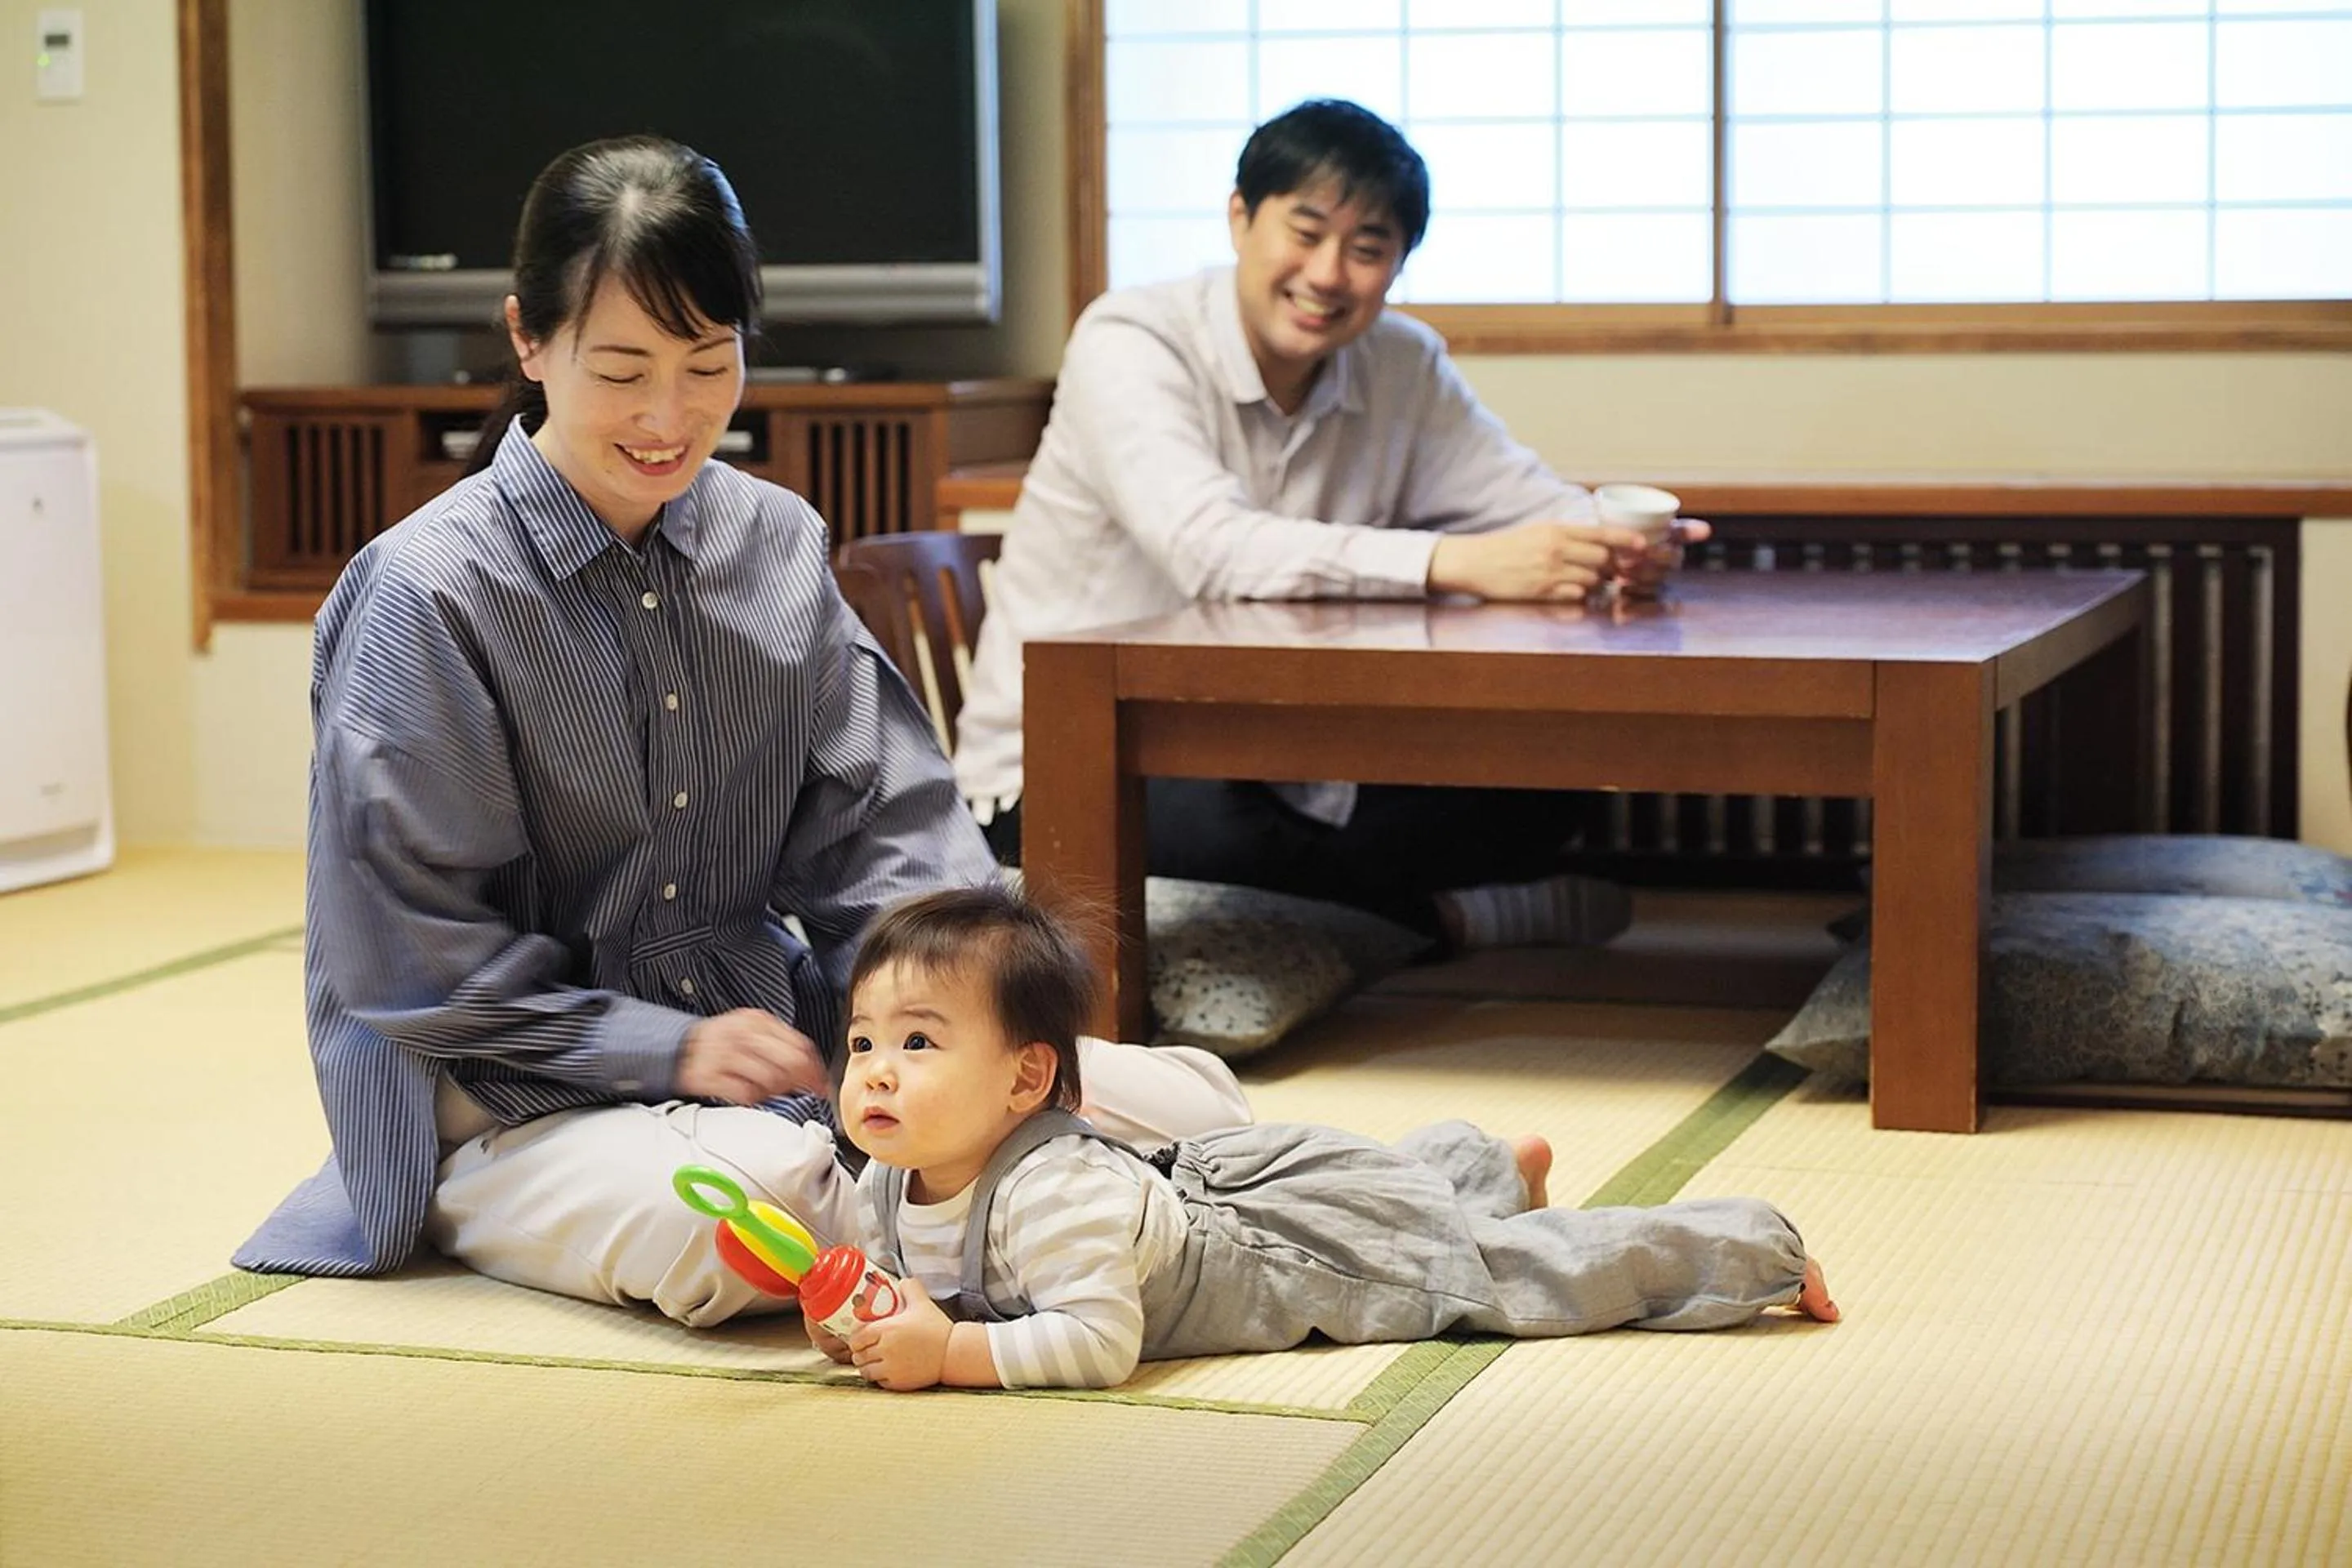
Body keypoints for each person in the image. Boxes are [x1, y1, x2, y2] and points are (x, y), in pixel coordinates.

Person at [233, 136, 1249, 1325]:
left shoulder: (774, 542)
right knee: (758, 1204)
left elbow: (889, 830)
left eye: (708, 364)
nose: (670, 417)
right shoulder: (426, 593)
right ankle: (481, 1203)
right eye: (622, 371)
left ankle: (1012, 1206)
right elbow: (410, 964)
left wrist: (954, 1029)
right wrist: (666, 1051)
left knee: (1186, 1103)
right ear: (528, 339)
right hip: (517, 1090)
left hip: (785, 1043)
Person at [955, 97, 1713, 956]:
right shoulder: (1134, 338)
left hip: (1289, 752)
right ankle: (1445, 921)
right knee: (1222, 834)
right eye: (1305, 231)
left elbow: (1523, 499)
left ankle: (1379, 913)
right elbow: (1212, 548)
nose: (1327, 273)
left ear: (1398, 265)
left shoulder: (1402, 362)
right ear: (1241, 218)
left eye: (1368, 248)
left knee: (1551, 784)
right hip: (1076, 761)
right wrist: (1458, 564)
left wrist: (1620, 542)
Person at [818, 886, 1838, 1392]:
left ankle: (1745, 1249)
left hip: (1280, 1265)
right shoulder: (884, 1181)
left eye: (919, 1042)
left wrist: (952, 1354)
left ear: (1027, 1077)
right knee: (1403, 1206)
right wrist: (857, 1327)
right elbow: (912, 1293)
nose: (875, 1067)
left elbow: (1099, 1341)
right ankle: (1479, 1165)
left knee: (1498, 1283)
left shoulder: (1055, 1193)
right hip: (1220, 1206)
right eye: (864, 1039)